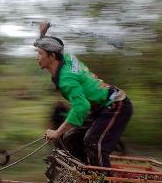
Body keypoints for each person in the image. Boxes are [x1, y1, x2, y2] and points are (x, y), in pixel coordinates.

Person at [35, 21, 132, 168]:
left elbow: (81, 106)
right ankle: (87, 171)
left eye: (40, 54)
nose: (37, 57)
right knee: (71, 137)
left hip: (116, 105)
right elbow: (54, 47)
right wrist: (43, 34)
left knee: (93, 142)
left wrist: (56, 132)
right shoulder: (66, 58)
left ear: (52, 56)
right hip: (100, 108)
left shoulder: (66, 79)